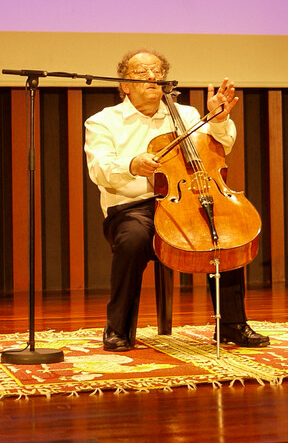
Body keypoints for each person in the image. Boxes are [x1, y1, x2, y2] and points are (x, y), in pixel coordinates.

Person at [84, 49, 270, 352]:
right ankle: (118, 327)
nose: (152, 76)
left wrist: (219, 119)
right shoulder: (103, 122)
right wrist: (132, 165)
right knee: (132, 240)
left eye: (157, 70)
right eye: (142, 71)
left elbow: (220, 147)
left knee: (224, 228)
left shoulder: (186, 115)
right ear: (125, 85)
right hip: (133, 207)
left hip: (186, 198)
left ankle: (232, 325)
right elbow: (100, 170)